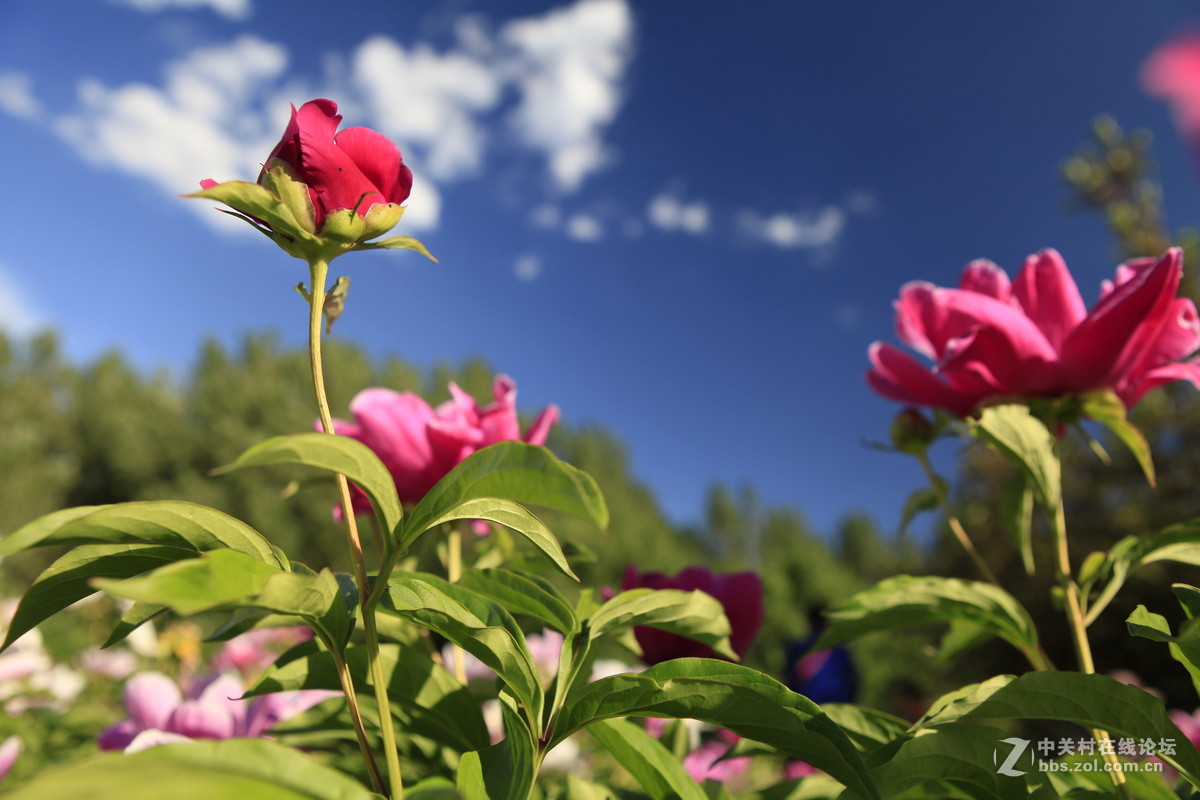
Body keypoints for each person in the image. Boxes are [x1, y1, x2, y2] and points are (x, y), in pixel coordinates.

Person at [784, 606, 857, 704]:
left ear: (810, 621)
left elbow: (789, 678)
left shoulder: (798, 648)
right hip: (835, 704)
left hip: (806, 704)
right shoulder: (839, 651)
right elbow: (852, 681)